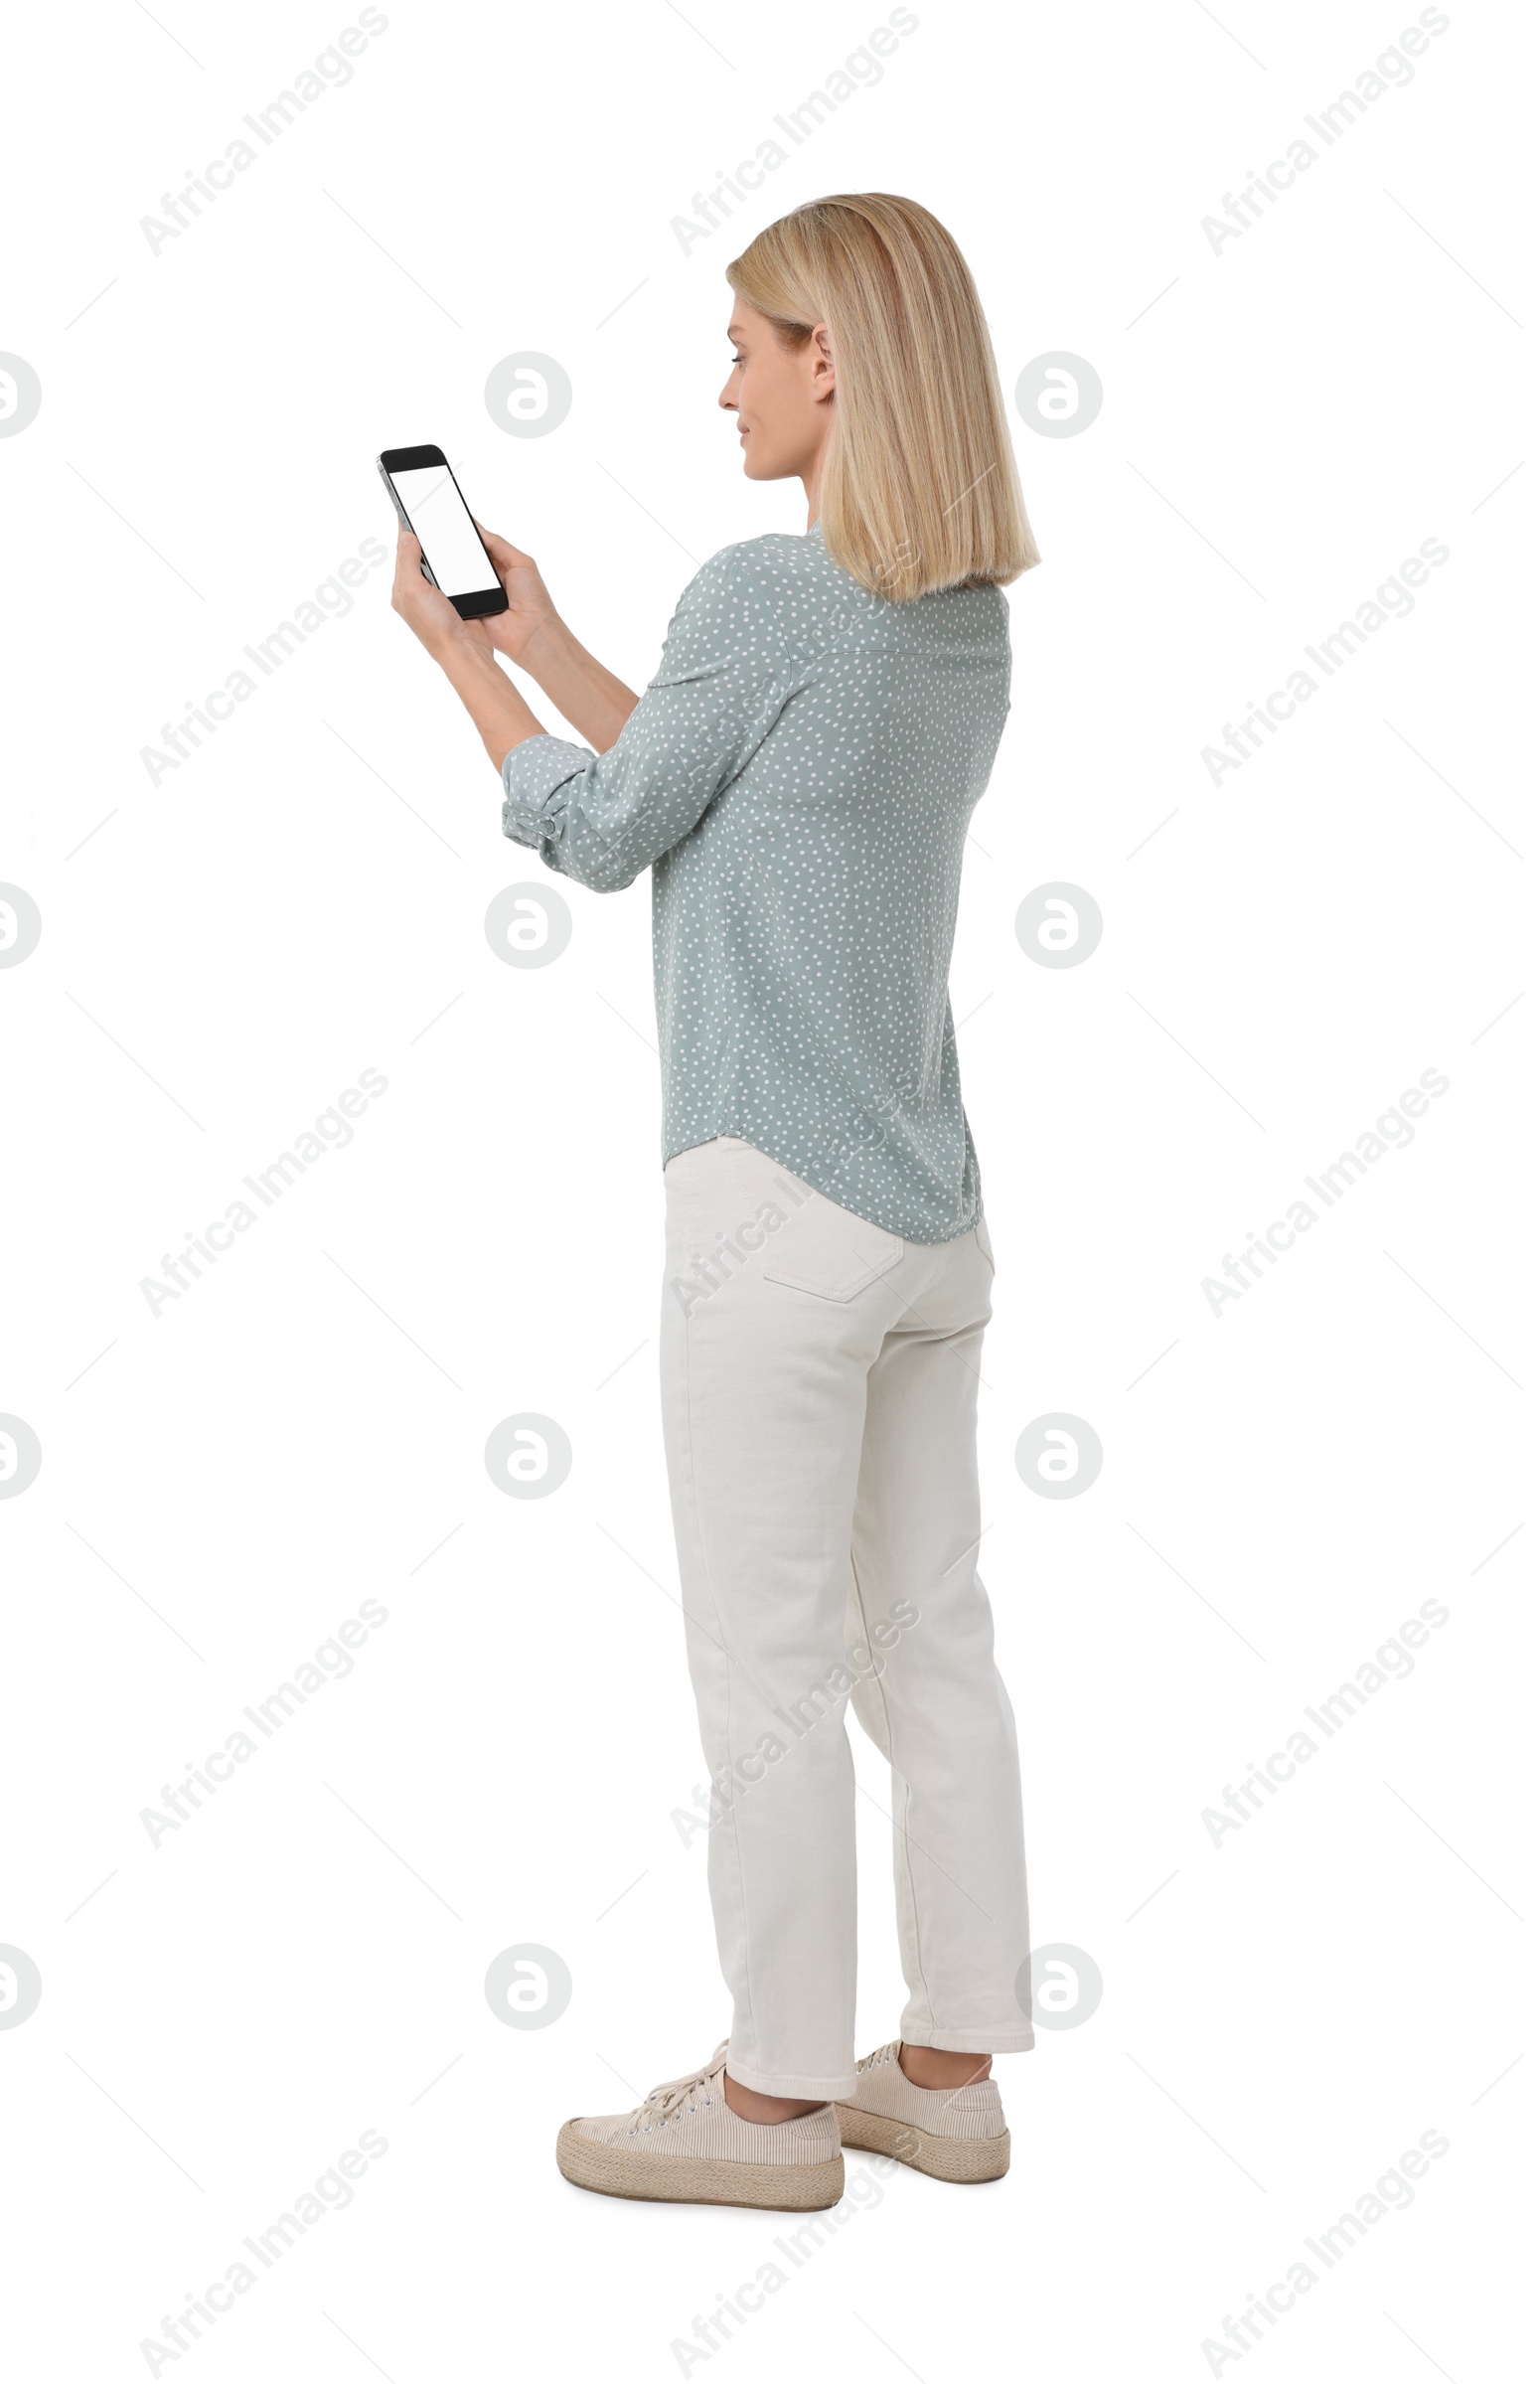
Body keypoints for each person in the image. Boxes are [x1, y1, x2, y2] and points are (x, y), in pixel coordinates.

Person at [391, 192, 1040, 2211]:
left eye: (748, 342)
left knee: (761, 1670)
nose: (725, 378)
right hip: (923, 1210)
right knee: (927, 1641)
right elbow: (713, 765)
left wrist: (456, 667)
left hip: (767, 1211)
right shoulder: (955, 617)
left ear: (828, 362)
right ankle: (942, 2066)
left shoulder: (765, 591)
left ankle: (767, 2107)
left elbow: (604, 831)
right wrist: (552, 633)